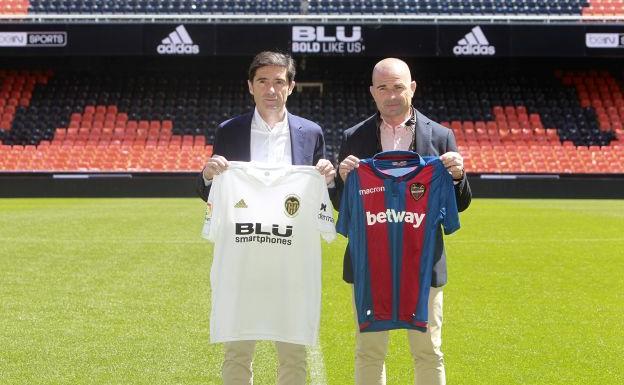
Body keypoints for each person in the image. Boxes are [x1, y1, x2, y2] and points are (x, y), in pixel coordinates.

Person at [197, 51, 335, 385]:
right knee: (237, 352)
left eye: (278, 81)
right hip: (243, 263)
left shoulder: (311, 132)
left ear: (291, 86)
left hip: (291, 266)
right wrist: (207, 176)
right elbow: (214, 193)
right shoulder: (230, 130)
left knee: (293, 355)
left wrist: (329, 178)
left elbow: (321, 196)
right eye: (263, 81)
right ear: (250, 86)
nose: (270, 89)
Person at [332, 58, 472, 385]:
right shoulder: (354, 137)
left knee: (428, 351)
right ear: (372, 92)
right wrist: (340, 180)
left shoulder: (440, 135)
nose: (391, 95)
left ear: (412, 88)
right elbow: (344, 208)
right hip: (370, 264)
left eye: (398, 86)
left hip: (422, 265)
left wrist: (457, 176)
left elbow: (460, 203)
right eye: (383, 87)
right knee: (369, 351)